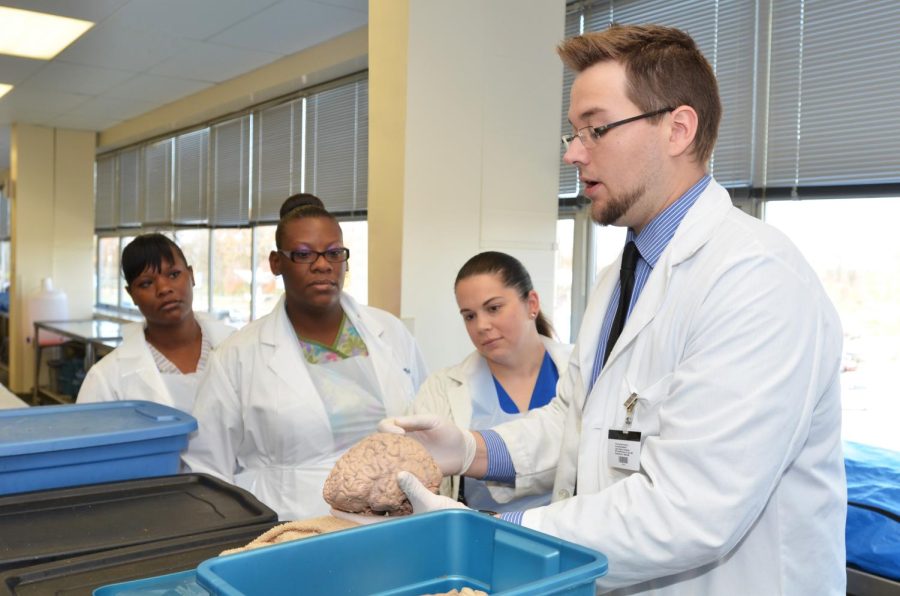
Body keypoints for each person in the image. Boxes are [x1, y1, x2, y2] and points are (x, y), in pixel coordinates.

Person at [380, 24, 846, 595]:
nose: (574, 153)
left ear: (677, 129)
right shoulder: (619, 278)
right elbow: (578, 423)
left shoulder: (756, 280)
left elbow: (688, 510)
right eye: (572, 134)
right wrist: (469, 448)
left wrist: (484, 533)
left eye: (595, 129)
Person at [183, 199, 428, 521]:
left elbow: (424, 424)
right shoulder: (238, 356)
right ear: (276, 263)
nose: (322, 265)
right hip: (291, 522)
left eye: (333, 253)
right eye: (303, 254)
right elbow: (208, 465)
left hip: (396, 516)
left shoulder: (389, 332)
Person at [409, 251, 572, 512]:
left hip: (568, 538)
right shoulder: (440, 389)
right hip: (480, 540)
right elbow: (416, 478)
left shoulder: (580, 371)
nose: (481, 325)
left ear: (531, 304)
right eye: (469, 316)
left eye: (493, 308)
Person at [77, 234, 234, 413]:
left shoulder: (237, 348)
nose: (164, 289)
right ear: (131, 294)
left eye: (174, 274)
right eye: (146, 284)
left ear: (191, 275)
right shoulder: (105, 377)